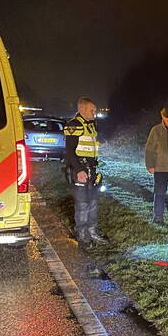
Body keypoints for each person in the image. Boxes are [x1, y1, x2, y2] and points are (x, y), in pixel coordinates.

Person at [64, 96, 108, 246]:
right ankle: (82, 236)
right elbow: (69, 151)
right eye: (92, 110)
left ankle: (93, 232)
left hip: (92, 170)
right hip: (80, 171)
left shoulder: (91, 125)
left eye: (95, 110)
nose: (94, 113)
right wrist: (78, 170)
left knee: (93, 201)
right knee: (82, 204)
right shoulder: (74, 125)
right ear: (81, 109)